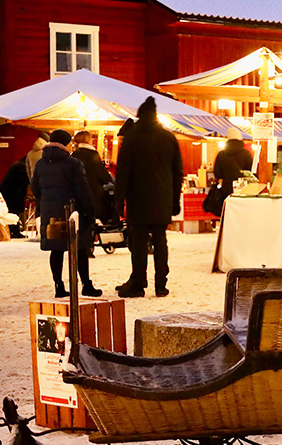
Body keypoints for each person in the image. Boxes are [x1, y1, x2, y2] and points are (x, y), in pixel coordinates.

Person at [114, 97, 183, 298]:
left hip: (138, 198)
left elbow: (123, 172)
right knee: (160, 240)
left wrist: (119, 200)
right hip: (162, 198)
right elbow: (177, 172)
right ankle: (161, 284)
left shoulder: (132, 137)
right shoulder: (168, 137)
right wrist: (175, 199)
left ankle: (138, 281)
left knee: (139, 241)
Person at [31, 129, 101, 298]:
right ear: (66, 144)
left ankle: (58, 286)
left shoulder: (41, 164)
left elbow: (35, 189)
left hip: (51, 214)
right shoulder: (73, 164)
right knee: (80, 248)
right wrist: (91, 212)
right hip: (72, 213)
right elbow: (83, 191)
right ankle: (85, 284)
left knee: (56, 250)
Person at [71, 130, 114, 224]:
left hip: (76, 192)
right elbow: (102, 176)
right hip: (93, 192)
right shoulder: (93, 154)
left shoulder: (74, 155)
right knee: (93, 220)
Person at [214, 128, 253, 200]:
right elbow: (251, 171)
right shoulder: (246, 154)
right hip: (242, 187)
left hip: (226, 187)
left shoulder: (222, 154)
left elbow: (217, 172)